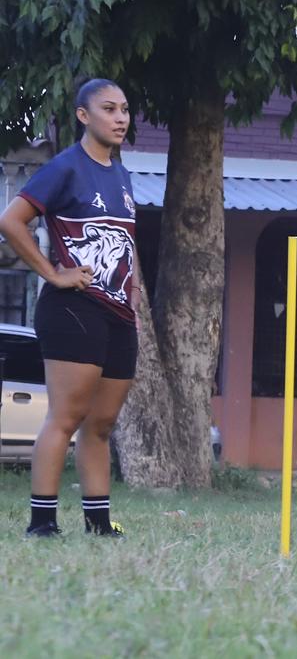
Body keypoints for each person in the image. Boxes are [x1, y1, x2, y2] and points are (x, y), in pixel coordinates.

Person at [0, 79, 139, 537]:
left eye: (124, 110)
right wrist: (53, 274)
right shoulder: (65, 167)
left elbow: (124, 244)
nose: (120, 118)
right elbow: (11, 221)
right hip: (73, 308)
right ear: (83, 115)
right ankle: (42, 523)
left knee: (101, 424)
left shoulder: (121, 174)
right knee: (66, 417)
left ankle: (98, 525)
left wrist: (134, 294)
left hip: (119, 314)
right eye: (109, 109)